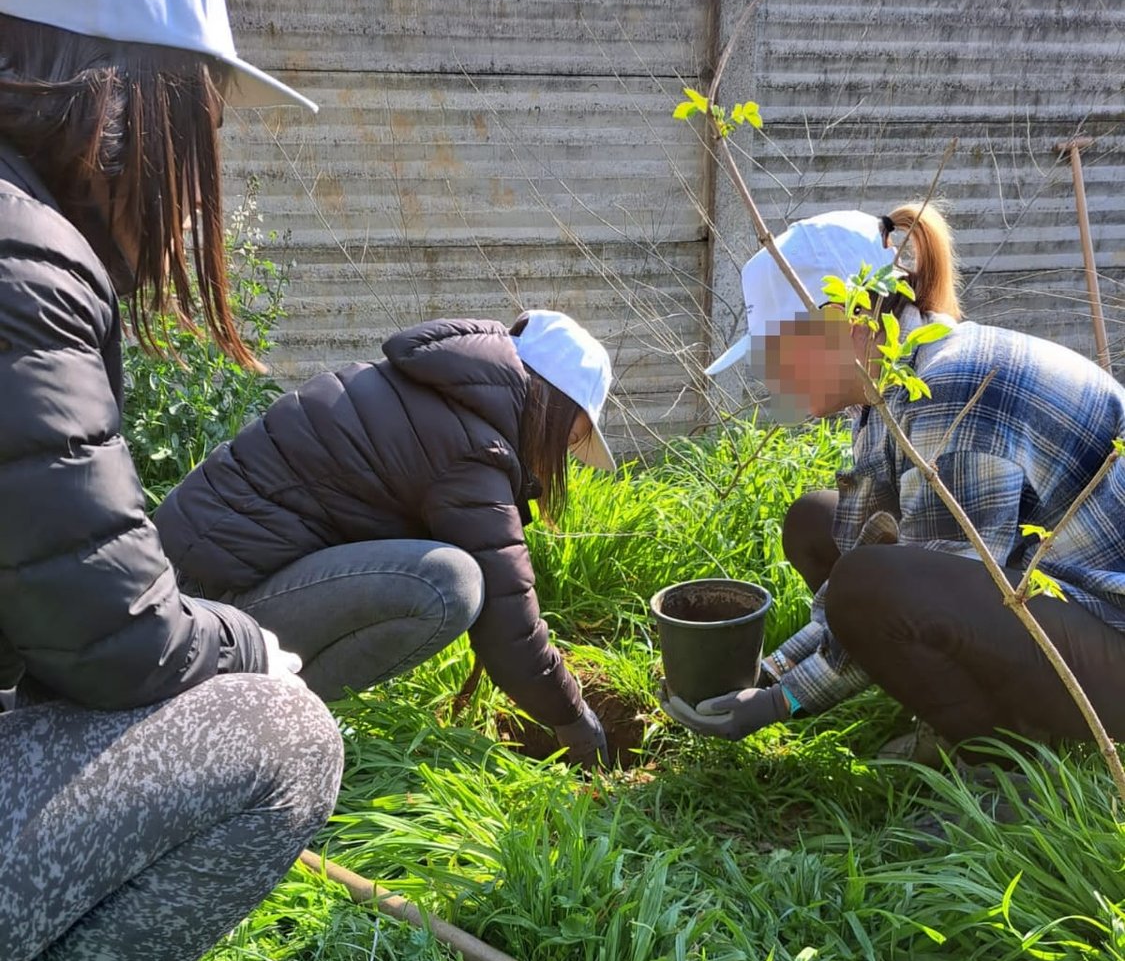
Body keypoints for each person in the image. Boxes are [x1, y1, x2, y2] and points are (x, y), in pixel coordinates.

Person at [0, 0, 343, 961]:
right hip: (169, 602)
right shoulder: (21, 251)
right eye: (183, 111)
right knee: (284, 742)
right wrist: (249, 655)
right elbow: (110, 635)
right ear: (105, 84)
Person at [663, 206, 1125, 753]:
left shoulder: (952, 391)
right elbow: (877, 551)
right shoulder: (890, 391)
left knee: (871, 584)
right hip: (1062, 609)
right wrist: (770, 672)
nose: (772, 375)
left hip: (1110, 639)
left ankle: (1001, 759)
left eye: (780, 350)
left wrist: (782, 702)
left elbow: (908, 590)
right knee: (816, 521)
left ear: (849, 321)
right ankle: (966, 713)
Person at [155, 309, 617, 765]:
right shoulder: (470, 446)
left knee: (446, 576)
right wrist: (574, 719)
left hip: (178, 582)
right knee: (448, 585)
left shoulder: (437, 393)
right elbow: (508, 620)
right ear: (550, 406)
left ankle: (269, 707)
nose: (566, 454)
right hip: (206, 607)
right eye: (570, 437)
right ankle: (265, 724)